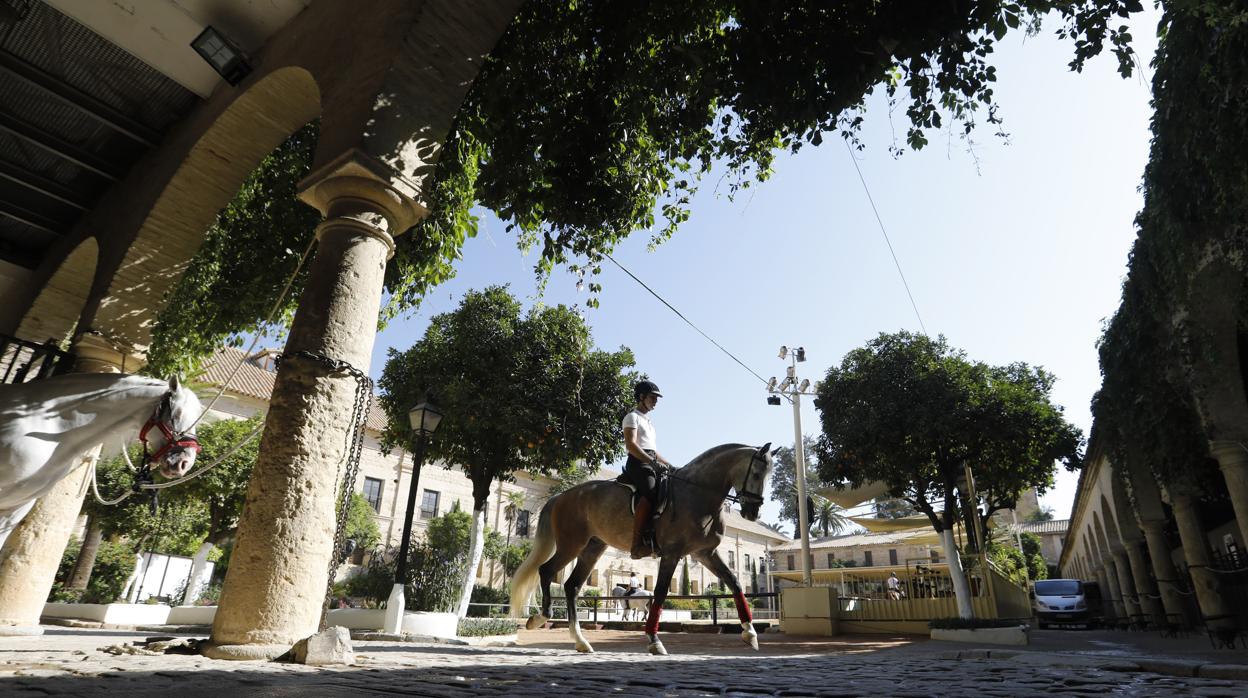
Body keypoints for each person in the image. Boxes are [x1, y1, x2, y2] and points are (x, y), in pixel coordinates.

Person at [622, 379, 673, 559]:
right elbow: (631, 445)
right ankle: (637, 546)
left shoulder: (649, 423)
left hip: (649, 460)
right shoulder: (632, 417)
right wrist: (651, 463)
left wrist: (670, 466)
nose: (656, 401)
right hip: (637, 462)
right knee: (651, 492)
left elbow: (653, 450)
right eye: (653, 397)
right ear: (641, 397)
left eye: (657, 398)